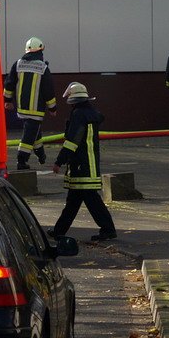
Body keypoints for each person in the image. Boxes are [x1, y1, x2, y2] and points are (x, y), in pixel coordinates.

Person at [50, 82, 117, 242]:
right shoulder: (90, 114)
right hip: (87, 163)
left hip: (81, 166)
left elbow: (72, 141)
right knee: (73, 201)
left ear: (73, 100)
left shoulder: (79, 115)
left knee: (91, 201)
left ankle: (108, 230)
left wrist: (59, 161)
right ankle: (59, 231)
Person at [4, 36, 58, 170]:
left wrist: (8, 101)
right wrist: (52, 108)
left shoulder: (18, 64)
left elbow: (9, 83)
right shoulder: (43, 67)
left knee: (34, 132)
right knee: (28, 136)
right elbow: (48, 90)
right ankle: (21, 161)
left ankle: (41, 155)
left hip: (22, 108)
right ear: (40, 50)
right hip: (36, 109)